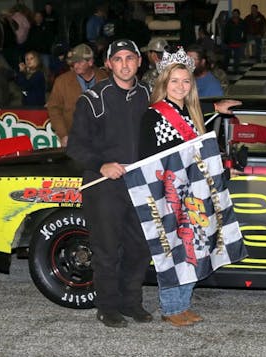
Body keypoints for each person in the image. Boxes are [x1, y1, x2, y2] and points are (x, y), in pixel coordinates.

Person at [138, 48, 240, 327]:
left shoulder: (192, 113)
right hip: (168, 194)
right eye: (174, 82)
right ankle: (171, 307)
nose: (180, 86)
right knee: (173, 250)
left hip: (192, 193)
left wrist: (215, 109)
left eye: (185, 81)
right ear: (163, 84)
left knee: (194, 247)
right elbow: (147, 161)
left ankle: (182, 304)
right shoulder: (153, 116)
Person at [66, 39, 153, 328]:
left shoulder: (149, 96)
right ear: (109, 64)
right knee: (107, 249)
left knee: (138, 247)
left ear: (140, 62)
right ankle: (107, 307)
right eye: (118, 59)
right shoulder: (92, 98)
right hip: (103, 184)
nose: (125, 64)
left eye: (130, 57)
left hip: (139, 184)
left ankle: (131, 303)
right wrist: (101, 165)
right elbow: (75, 146)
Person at [47, 43, 108, 146]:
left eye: (79, 62)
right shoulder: (62, 82)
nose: (75, 66)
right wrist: (63, 134)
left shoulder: (105, 79)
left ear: (90, 62)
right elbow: (54, 109)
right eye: (74, 62)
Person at [223, 8, 246, 73]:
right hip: (230, 43)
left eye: (236, 14)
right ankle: (225, 69)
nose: (235, 15)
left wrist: (244, 40)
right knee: (227, 56)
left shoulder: (242, 22)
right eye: (234, 14)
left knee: (237, 58)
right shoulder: (229, 22)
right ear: (232, 14)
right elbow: (226, 32)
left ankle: (236, 69)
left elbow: (244, 32)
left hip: (238, 43)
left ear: (239, 14)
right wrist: (226, 41)